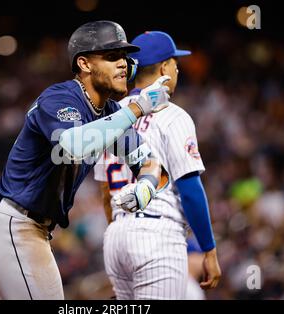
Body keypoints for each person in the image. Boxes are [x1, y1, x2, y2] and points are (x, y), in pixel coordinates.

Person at [0, 21, 172, 300]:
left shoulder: (109, 113)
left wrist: (145, 188)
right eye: (112, 56)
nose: (124, 64)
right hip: (13, 227)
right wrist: (137, 108)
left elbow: (151, 164)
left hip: (25, 232)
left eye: (125, 57)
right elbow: (74, 144)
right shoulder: (60, 97)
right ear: (85, 64)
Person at [94, 31, 221, 299]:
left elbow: (106, 192)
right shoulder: (172, 114)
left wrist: (122, 233)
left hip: (116, 235)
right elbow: (189, 188)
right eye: (175, 63)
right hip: (156, 234)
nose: (177, 68)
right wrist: (208, 249)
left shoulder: (111, 117)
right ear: (164, 67)